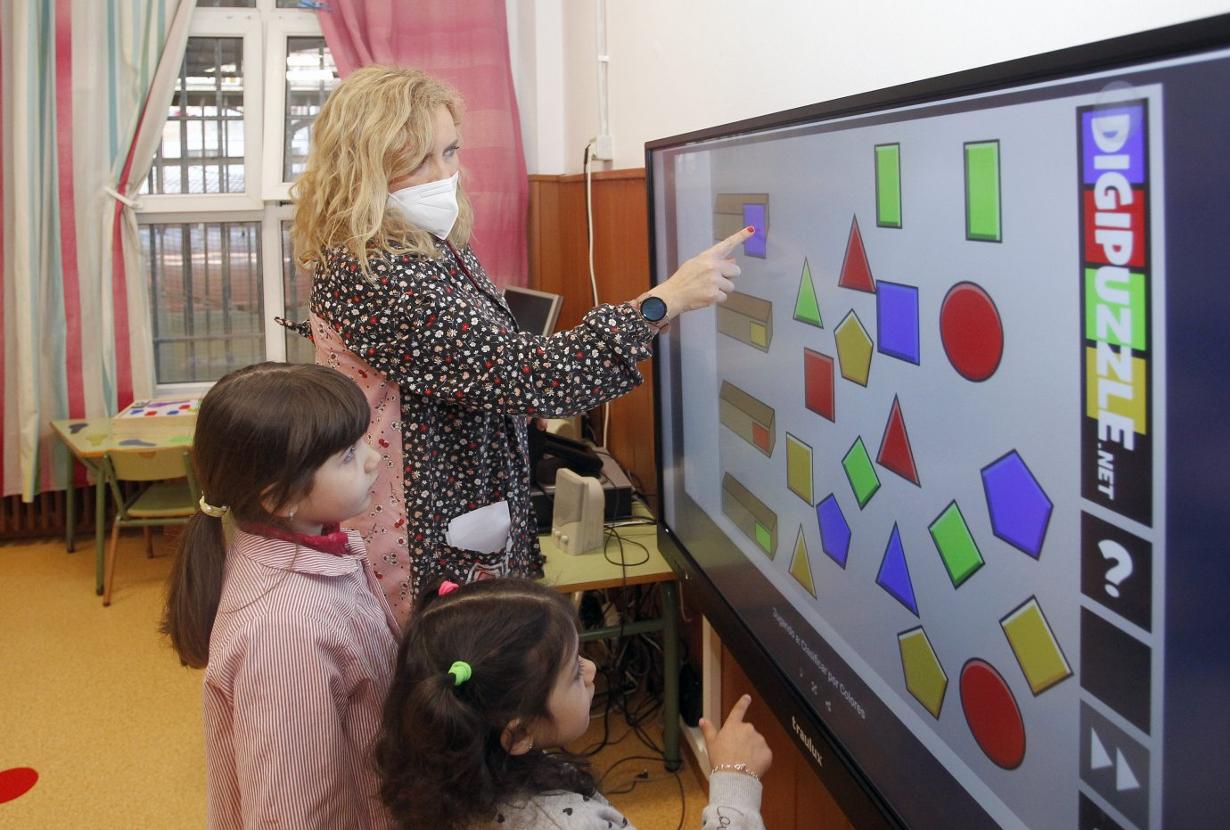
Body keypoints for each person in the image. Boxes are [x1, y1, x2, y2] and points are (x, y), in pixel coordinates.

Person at [290, 65, 753, 623]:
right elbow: (532, 376)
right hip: (417, 526)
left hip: (461, 502)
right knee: (442, 665)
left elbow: (492, 366)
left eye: (450, 152)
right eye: (417, 161)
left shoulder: (426, 244)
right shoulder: (377, 273)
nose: (444, 176)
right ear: (362, 169)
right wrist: (662, 302)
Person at [161, 362, 400, 829]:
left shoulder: (309, 548)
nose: (373, 458)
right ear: (280, 498)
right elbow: (291, 811)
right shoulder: (285, 634)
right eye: (347, 455)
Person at [375, 577, 772, 829]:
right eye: (573, 673)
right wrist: (735, 781)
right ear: (519, 734)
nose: (593, 669)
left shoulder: (449, 783)